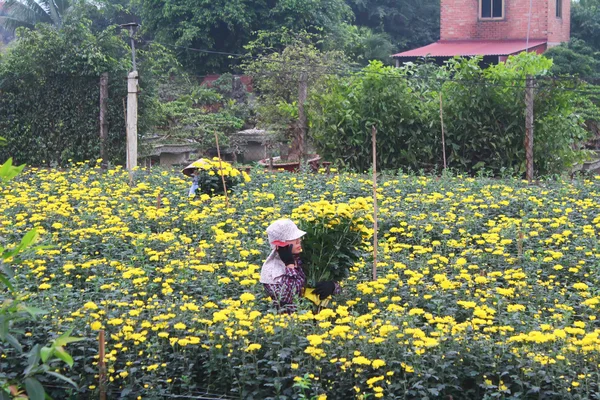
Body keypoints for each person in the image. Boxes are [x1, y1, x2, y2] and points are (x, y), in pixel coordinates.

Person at [260, 218, 340, 313]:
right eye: (292, 239)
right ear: (280, 245)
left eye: (298, 237)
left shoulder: (307, 258)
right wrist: (289, 266)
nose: (298, 241)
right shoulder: (271, 272)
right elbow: (286, 299)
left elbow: (340, 289)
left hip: (321, 318)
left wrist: (332, 286)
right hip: (293, 323)